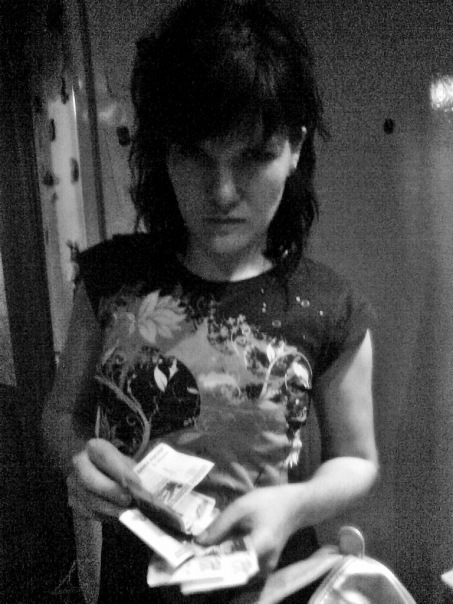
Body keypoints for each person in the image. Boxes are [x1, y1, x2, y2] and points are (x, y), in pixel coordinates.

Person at [42, 0, 379, 602]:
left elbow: (357, 459)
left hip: (272, 585)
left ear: (294, 148)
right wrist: (76, 462)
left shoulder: (329, 304)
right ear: (164, 152)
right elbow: (62, 413)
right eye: (194, 154)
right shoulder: (110, 279)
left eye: (254, 155)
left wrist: (298, 503)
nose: (221, 192)